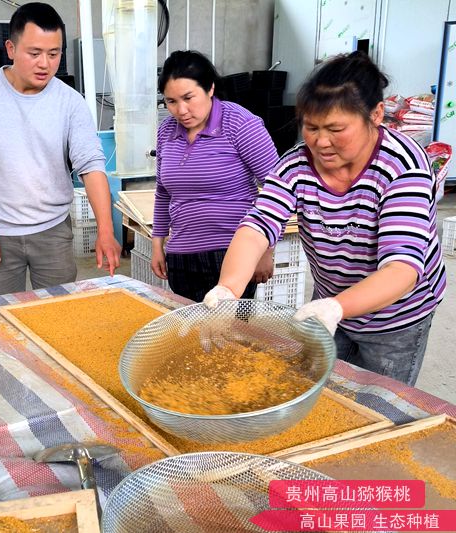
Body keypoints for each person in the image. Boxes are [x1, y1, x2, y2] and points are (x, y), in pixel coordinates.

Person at [204, 52, 446, 386]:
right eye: (311, 127)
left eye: (335, 129)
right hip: (331, 295)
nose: (320, 141)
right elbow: (258, 226)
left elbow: (402, 268)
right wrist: (228, 289)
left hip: (396, 317)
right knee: (318, 387)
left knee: (378, 401)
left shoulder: (402, 168)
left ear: (376, 115)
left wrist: (337, 308)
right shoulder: (296, 164)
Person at [0, 2, 121, 297]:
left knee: (60, 314)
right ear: (11, 48)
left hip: (53, 232)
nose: (45, 63)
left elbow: (91, 165)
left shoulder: (70, 102)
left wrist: (106, 230)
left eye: (54, 53)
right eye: (35, 53)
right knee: (3, 320)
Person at [151, 50, 279, 302]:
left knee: (230, 337)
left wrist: (265, 249)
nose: (181, 110)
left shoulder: (240, 123)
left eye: (188, 97)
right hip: (182, 256)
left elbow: (278, 191)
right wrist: (158, 244)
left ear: (210, 88)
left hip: (232, 255)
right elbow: (163, 192)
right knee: (188, 337)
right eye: (171, 101)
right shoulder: (166, 130)